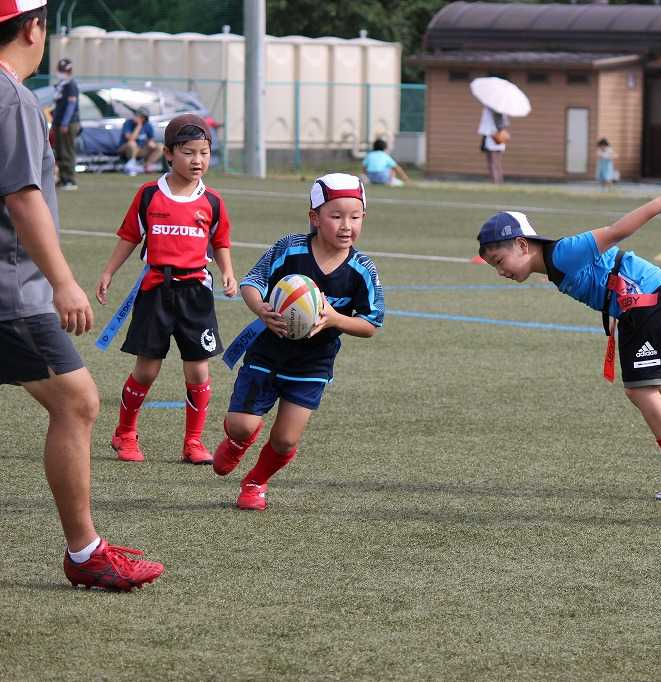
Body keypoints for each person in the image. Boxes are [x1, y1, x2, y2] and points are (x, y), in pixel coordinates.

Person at [0, 0, 163, 590]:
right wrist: (63, 281)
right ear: (34, 28)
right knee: (77, 403)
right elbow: (23, 198)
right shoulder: (13, 97)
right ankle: (85, 552)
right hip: (10, 293)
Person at [476, 195, 661, 501]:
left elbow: (616, 232)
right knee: (646, 385)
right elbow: (610, 271)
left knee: (642, 391)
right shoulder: (553, 264)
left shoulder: (562, 253)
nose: (500, 272)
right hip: (641, 304)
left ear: (522, 245)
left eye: (499, 261)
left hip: (646, 303)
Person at [213, 173, 384, 511]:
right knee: (241, 425)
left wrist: (333, 318)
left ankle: (256, 482)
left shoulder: (362, 268)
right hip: (267, 353)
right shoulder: (289, 248)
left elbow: (370, 324)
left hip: (312, 365)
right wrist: (261, 309)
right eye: (336, 216)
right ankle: (238, 440)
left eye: (355, 217)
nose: (346, 225)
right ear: (314, 218)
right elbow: (252, 282)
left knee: (285, 439)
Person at [95, 113, 237, 465]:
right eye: (188, 153)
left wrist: (228, 273)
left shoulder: (212, 201)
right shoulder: (149, 195)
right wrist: (108, 271)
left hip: (195, 294)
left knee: (198, 370)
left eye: (204, 153)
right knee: (147, 369)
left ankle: (193, 442)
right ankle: (124, 433)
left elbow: (220, 241)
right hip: (156, 290)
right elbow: (130, 236)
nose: (197, 160)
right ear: (168, 154)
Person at [51, 56, 78, 190]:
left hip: (67, 123)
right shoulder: (61, 85)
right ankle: (62, 178)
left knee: (67, 151)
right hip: (59, 122)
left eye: (64, 71)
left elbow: (71, 106)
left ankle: (70, 180)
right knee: (60, 151)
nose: (62, 73)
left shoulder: (70, 85)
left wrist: (65, 123)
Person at [118, 107, 162, 175]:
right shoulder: (128, 123)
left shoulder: (148, 125)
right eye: (138, 116)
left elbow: (151, 140)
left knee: (160, 147)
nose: (139, 118)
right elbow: (131, 139)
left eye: (142, 117)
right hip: (125, 149)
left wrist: (151, 144)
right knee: (132, 143)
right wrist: (139, 125)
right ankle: (131, 166)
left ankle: (147, 166)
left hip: (140, 150)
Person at [478, 106, 509, 184]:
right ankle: (497, 181)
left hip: (494, 136)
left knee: (494, 162)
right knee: (494, 162)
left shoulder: (497, 110)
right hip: (491, 136)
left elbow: (501, 124)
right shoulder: (490, 109)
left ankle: (496, 182)